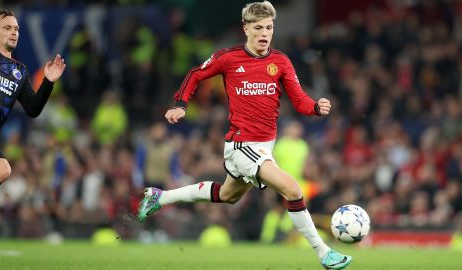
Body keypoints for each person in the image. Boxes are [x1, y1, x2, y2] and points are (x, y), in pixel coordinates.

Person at [138, 2, 351, 269]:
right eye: (259, 28)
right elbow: (195, 74)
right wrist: (181, 105)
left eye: (269, 28)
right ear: (246, 29)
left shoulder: (280, 62)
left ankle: (161, 197)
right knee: (293, 189)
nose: (265, 33)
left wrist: (316, 107)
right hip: (241, 145)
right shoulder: (229, 58)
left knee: (229, 195)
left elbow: (300, 101)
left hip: (264, 147)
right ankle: (324, 253)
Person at [0, 10, 66, 195]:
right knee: (2, 168)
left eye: (17, 29)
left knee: (2, 170)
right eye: (7, 28)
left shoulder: (19, 71)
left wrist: (48, 82)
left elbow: (33, 109)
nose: (14, 32)